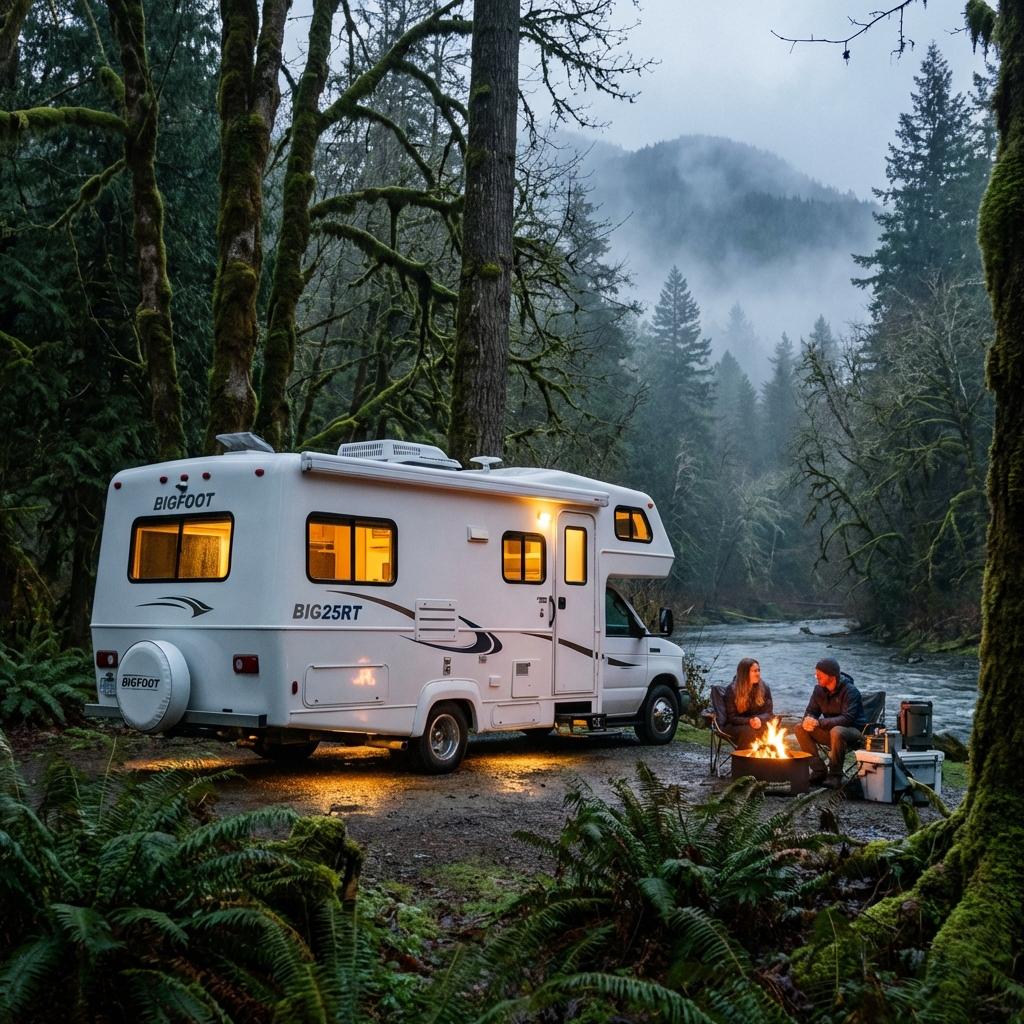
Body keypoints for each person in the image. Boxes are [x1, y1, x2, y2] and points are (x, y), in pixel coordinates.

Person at [795, 657, 866, 787]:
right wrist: (808, 720)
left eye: (819, 673)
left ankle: (835, 775)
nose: (816, 676)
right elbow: (811, 711)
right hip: (830, 731)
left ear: (831, 676)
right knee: (800, 728)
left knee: (837, 731)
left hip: (852, 732)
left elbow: (847, 719)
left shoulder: (850, 691)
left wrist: (819, 723)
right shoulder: (819, 690)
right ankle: (819, 770)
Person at [716, 657, 774, 749]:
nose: (758, 674)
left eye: (758, 670)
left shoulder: (764, 688)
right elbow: (732, 718)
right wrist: (749, 721)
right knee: (750, 731)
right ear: (744, 673)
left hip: (758, 723)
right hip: (735, 726)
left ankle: (766, 761)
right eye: (754, 671)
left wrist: (759, 719)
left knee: (770, 729)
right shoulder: (732, 690)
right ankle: (743, 760)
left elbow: (769, 713)